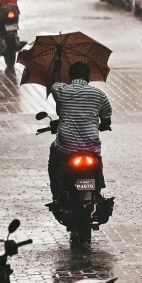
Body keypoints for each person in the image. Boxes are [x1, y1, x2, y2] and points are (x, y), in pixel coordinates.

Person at [48, 60, 112, 201]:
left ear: (70, 77)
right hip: (91, 147)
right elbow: (107, 120)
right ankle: (98, 188)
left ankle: (56, 194)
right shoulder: (99, 95)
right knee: (98, 160)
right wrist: (102, 125)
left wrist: (57, 68)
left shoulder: (62, 90)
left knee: (53, 155)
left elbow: (53, 83)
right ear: (88, 77)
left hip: (66, 148)